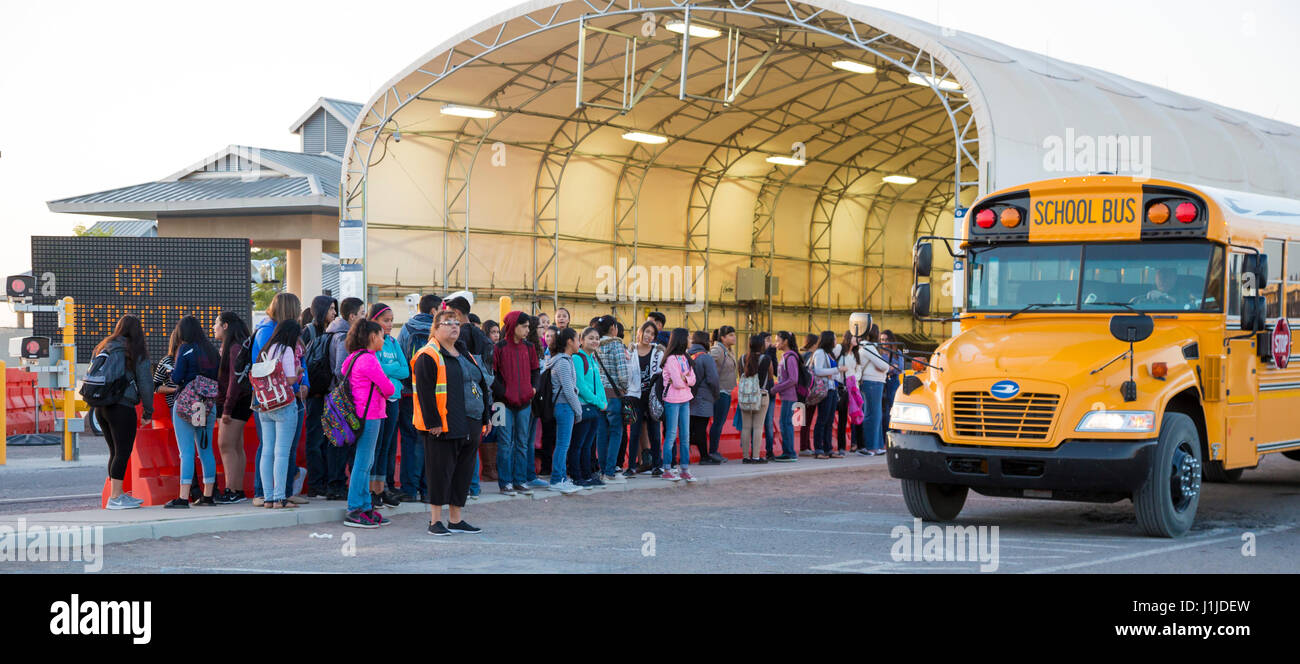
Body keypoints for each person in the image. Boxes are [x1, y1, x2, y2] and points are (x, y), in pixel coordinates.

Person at [412, 310, 494, 534]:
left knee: (463, 472)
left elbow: (479, 385)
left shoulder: (463, 352)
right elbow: (425, 392)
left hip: (472, 421)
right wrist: (433, 422)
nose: (454, 327)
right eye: (447, 323)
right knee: (440, 472)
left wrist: (486, 417)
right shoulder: (428, 355)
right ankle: (435, 521)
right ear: (435, 328)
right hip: (444, 424)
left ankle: (456, 519)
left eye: (457, 323)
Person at [94, 315, 155, 510]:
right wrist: (148, 410)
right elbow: (146, 383)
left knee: (114, 452)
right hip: (122, 406)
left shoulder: (104, 347)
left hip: (100, 407)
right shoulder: (135, 351)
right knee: (123, 452)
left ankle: (117, 494)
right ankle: (115, 498)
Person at [340, 319, 397, 527]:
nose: (384, 339)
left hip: (358, 415)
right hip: (370, 414)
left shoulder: (353, 357)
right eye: (381, 335)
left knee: (363, 462)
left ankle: (364, 507)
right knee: (364, 463)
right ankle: (355, 508)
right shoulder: (369, 360)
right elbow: (389, 388)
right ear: (372, 337)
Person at [250, 292, 304, 507]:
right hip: (284, 405)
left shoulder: (267, 347)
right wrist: (299, 373)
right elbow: (289, 379)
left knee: (267, 451)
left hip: (264, 404)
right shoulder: (288, 350)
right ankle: (281, 497)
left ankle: (268, 497)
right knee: (282, 453)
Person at [166, 316, 221, 507]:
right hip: (207, 405)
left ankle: (183, 497)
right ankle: (208, 495)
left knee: (187, 452)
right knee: (206, 450)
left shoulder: (185, 348)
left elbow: (177, 377)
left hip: (186, 404)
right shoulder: (212, 351)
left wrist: (170, 372)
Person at [492, 311, 543, 495]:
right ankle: (505, 482)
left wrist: (533, 390)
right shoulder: (499, 348)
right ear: (514, 326)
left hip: (525, 403)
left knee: (522, 443)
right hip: (503, 404)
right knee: (505, 444)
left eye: (529, 326)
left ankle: (520, 480)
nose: (527, 330)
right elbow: (493, 375)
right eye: (524, 326)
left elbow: (536, 371)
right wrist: (504, 392)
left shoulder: (529, 348)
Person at [396, 294, 440, 501]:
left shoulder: (406, 329)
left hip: (408, 393)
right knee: (430, 441)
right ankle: (428, 489)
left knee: (409, 440)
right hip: (433, 394)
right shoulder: (437, 332)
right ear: (433, 311)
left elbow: (402, 360)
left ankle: (409, 489)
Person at [369, 303, 409, 510]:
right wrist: (392, 369)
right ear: (374, 321)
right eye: (386, 320)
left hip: (394, 399)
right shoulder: (371, 342)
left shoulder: (393, 342)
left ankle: (380, 488)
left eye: (392, 320)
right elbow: (375, 369)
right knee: (375, 448)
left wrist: (389, 369)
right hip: (377, 400)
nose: (390, 324)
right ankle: (371, 490)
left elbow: (405, 371)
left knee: (386, 447)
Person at [325, 297, 365, 500]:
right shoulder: (342, 336)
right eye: (361, 314)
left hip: (335, 396)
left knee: (339, 442)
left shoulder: (333, 332)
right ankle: (336, 485)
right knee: (341, 443)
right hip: (342, 397)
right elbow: (341, 369)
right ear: (352, 316)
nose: (363, 317)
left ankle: (336, 483)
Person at [212, 311, 251, 504]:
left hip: (233, 403)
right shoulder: (237, 346)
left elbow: (234, 381)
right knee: (235, 446)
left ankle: (232, 490)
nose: (214, 327)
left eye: (216, 323)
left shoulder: (234, 348)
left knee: (226, 445)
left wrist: (227, 408)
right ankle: (237, 489)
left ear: (226, 326)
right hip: (238, 401)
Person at [301, 295, 337, 498]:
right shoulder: (309, 331)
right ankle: (316, 483)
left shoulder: (334, 331)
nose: (334, 313)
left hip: (329, 392)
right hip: (315, 393)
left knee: (329, 439)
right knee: (315, 439)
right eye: (331, 308)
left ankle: (326, 480)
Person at [542, 328, 584, 494]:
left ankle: (560, 478)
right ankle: (557, 479)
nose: (579, 343)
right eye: (577, 339)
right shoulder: (563, 362)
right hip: (564, 407)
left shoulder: (562, 360)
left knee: (562, 444)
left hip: (563, 407)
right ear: (569, 342)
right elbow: (568, 389)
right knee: (562, 445)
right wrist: (578, 410)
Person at [593, 315, 630, 484]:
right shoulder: (616, 344)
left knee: (601, 433)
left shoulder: (594, 346)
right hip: (615, 394)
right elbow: (622, 372)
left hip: (599, 395)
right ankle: (610, 472)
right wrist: (625, 387)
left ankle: (602, 471)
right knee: (616, 432)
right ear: (614, 327)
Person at [570, 327, 607, 488]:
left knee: (588, 445)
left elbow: (598, 384)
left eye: (597, 338)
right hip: (583, 407)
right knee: (577, 444)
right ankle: (576, 476)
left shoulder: (592, 359)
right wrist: (599, 402)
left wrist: (603, 401)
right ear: (582, 340)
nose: (594, 341)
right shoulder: (578, 358)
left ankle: (587, 474)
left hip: (594, 408)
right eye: (590, 338)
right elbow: (581, 386)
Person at [660, 328, 696, 482]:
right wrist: (685, 378)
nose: (690, 340)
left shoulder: (685, 357)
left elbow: (693, 379)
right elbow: (677, 382)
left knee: (685, 436)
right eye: (688, 337)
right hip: (672, 400)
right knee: (671, 435)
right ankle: (667, 469)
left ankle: (685, 469)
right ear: (681, 339)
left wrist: (685, 378)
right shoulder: (671, 359)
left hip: (685, 399)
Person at [630, 321, 664, 476]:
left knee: (654, 433)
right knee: (635, 432)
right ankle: (631, 466)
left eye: (652, 334)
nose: (648, 336)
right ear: (640, 332)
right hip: (635, 397)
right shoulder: (630, 351)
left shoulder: (658, 353)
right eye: (647, 332)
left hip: (652, 397)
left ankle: (657, 465)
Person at [737, 334, 773, 463]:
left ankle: (746, 457)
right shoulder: (766, 359)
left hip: (745, 396)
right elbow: (770, 377)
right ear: (762, 345)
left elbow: (740, 374)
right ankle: (756, 456)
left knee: (746, 427)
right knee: (758, 427)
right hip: (761, 396)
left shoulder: (742, 358)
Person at [857, 325, 891, 457]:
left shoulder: (865, 346)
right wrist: (884, 367)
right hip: (872, 382)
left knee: (875, 415)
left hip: (874, 382)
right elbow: (884, 365)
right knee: (873, 414)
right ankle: (871, 446)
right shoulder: (868, 346)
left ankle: (876, 446)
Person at [809, 331, 843, 459]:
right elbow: (818, 370)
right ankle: (818, 449)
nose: (836, 341)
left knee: (829, 420)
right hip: (825, 389)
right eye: (834, 339)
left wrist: (834, 373)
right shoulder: (820, 353)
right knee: (822, 419)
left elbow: (832, 373)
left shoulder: (830, 354)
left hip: (832, 388)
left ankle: (828, 449)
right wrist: (836, 370)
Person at [687, 330, 719, 466]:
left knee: (691, 427)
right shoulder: (706, 357)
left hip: (688, 397)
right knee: (701, 428)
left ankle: (685, 455)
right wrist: (716, 395)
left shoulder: (687, 355)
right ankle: (704, 457)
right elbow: (713, 380)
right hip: (703, 397)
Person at [707, 326, 737, 464]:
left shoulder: (727, 351)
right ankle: (712, 451)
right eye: (730, 335)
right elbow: (707, 365)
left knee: (719, 423)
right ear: (723, 338)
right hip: (720, 392)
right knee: (717, 423)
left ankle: (714, 451)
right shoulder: (717, 350)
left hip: (726, 391)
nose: (734, 337)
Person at [770, 331, 801, 461]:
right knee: (785, 423)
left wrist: (776, 388)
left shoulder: (791, 357)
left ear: (785, 342)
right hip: (786, 395)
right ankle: (788, 451)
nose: (775, 343)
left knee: (786, 423)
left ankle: (790, 453)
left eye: (778, 340)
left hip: (790, 396)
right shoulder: (785, 356)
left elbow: (793, 379)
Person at [879, 329, 906, 449]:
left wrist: (890, 368)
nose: (884, 342)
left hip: (894, 381)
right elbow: (882, 368)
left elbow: (900, 368)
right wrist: (890, 367)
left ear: (891, 340)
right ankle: (885, 438)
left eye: (886, 340)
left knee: (894, 409)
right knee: (884, 410)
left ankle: (897, 436)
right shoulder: (879, 353)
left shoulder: (897, 352)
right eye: (881, 340)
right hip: (883, 381)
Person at [835, 331, 860, 455]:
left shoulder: (856, 353)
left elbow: (858, 369)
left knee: (849, 416)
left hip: (852, 387)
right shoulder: (839, 349)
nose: (858, 339)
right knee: (839, 418)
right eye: (856, 337)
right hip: (840, 387)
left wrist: (854, 379)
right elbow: (832, 362)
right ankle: (839, 447)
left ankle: (846, 446)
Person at [798, 333, 819, 456]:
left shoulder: (801, 356)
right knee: (807, 420)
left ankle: (805, 445)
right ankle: (804, 446)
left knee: (804, 421)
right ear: (815, 344)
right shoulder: (812, 356)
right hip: (810, 392)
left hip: (802, 391)